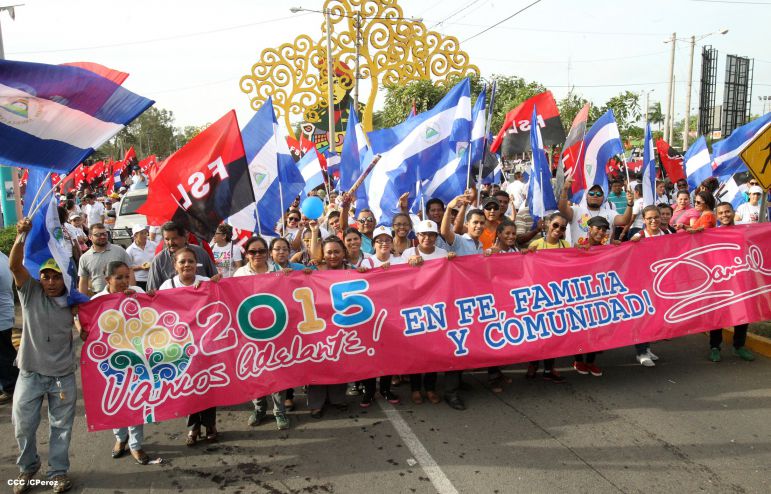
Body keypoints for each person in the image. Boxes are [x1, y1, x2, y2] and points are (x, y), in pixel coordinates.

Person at [9, 219, 77, 494]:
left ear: (65, 277)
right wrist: (20, 236)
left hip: (62, 376)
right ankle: (28, 467)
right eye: (46, 276)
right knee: (23, 426)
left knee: (61, 429)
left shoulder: (75, 300)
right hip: (30, 373)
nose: (50, 282)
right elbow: (15, 266)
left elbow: (106, 306)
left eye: (56, 276)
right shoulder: (30, 292)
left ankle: (57, 472)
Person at [89, 261, 150, 464]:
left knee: (135, 400)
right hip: (110, 361)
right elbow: (88, 329)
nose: (125, 281)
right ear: (108, 280)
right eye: (119, 277)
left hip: (136, 356)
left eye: (127, 276)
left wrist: (147, 299)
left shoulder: (137, 291)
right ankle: (120, 438)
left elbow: (150, 316)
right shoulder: (97, 300)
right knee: (115, 399)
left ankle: (136, 445)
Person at [158, 247, 217, 444]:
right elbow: (159, 312)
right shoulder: (167, 286)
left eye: (190, 261)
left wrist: (221, 285)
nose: (187, 265)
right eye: (182, 262)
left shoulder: (208, 283)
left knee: (208, 385)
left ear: (196, 264)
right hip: (181, 346)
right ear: (175, 265)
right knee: (188, 387)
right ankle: (193, 427)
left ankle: (210, 424)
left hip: (206, 344)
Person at [232, 237, 290, 430]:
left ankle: (279, 411)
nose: (257, 255)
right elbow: (229, 298)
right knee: (255, 372)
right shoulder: (239, 274)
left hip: (277, 332)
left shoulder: (279, 272)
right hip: (250, 333)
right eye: (253, 252)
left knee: (278, 372)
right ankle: (259, 409)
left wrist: (300, 276)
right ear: (246, 254)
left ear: (267, 253)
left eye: (261, 251)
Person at [303, 237, 354, 418]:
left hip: (343, 325)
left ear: (344, 253)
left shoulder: (352, 270)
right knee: (318, 363)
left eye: (337, 252)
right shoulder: (313, 270)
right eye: (329, 252)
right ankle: (316, 403)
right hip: (319, 326)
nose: (333, 256)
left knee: (340, 361)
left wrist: (365, 273)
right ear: (323, 255)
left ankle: (337, 398)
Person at [526, 212, 570, 383]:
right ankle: (533, 365)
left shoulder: (566, 245)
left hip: (557, 297)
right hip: (538, 297)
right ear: (548, 225)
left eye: (563, 227)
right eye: (555, 225)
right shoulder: (536, 244)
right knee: (538, 334)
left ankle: (548, 368)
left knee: (553, 335)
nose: (558, 230)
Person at [709, 202, 756, 362]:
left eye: (727, 212)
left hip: (741, 279)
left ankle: (739, 346)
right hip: (719, 280)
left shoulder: (744, 231)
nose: (724, 215)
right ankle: (715, 347)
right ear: (716, 216)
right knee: (718, 314)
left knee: (743, 313)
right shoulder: (711, 234)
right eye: (721, 213)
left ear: (733, 212)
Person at [629, 205, 672, 366]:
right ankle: (640, 352)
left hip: (661, 282)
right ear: (644, 219)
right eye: (649, 218)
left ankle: (647, 348)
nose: (653, 221)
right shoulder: (638, 236)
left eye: (656, 217)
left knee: (654, 316)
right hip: (642, 283)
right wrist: (632, 244)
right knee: (642, 318)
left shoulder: (668, 233)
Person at [573, 216, 615, 377]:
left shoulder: (606, 248)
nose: (601, 232)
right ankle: (578, 359)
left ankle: (590, 361)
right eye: (598, 228)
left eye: (604, 229)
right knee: (580, 328)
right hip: (580, 294)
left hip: (599, 293)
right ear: (589, 229)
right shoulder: (579, 246)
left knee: (597, 329)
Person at [558, 177, 633, 246]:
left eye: (599, 194)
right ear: (586, 196)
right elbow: (562, 209)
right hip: (581, 257)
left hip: (602, 256)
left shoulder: (610, 213)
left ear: (603, 198)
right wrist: (565, 190)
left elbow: (624, 220)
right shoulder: (576, 210)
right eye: (591, 193)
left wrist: (630, 204)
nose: (595, 196)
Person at [146, 221, 218, 291]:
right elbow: (152, 291)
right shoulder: (159, 260)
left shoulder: (200, 252)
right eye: (167, 239)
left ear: (185, 237)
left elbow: (215, 279)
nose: (170, 243)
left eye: (174, 238)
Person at [78, 223, 134, 296]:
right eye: (98, 234)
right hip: (99, 297)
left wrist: (131, 289)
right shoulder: (84, 258)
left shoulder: (120, 251)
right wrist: (82, 301)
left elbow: (130, 271)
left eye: (105, 234)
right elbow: (83, 281)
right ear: (90, 237)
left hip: (121, 295)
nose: (102, 236)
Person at [0, 251, 17, 405]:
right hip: (5, 314)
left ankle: (9, 387)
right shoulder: (3, 257)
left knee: (4, 355)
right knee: (5, 352)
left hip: (2, 317)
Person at [125, 224, 157, 291]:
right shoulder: (130, 250)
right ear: (135, 236)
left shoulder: (153, 245)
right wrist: (140, 267)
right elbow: (127, 268)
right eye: (142, 233)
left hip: (153, 278)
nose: (145, 235)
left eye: (145, 233)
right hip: (139, 280)